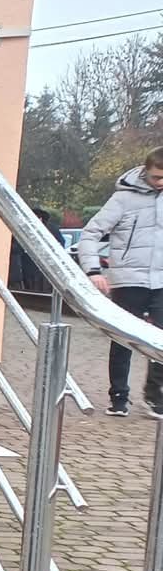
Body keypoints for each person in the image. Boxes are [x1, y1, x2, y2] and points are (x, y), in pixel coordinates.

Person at [77, 149, 163, 417]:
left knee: (161, 341)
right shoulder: (123, 199)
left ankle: (154, 396)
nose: (160, 183)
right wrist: (93, 271)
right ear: (145, 172)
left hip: (161, 280)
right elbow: (91, 234)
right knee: (124, 339)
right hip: (128, 279)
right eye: (156, 177)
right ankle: (119, 396)